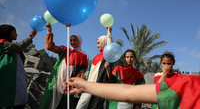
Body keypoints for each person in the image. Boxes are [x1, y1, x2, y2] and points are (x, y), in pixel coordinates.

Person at [64, 75, 200, 109]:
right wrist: (85, 86)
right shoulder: (192, 87)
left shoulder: (192, 86)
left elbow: (129, 92)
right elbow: (128, 92)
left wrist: (86, 86)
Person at [39, 22, 88, 109]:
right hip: (57, 81)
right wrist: (49, 31)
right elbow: (50, 47)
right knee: (50, 101)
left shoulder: (83, 55)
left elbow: (81, 72)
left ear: (79, 41)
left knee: (64, 104)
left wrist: (75, 84)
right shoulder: (65, 50)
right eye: (71, 40)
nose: (72, 42)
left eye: (75, 40)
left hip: (69, 85)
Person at [0, 24, 37, 109]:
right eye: (14, 32)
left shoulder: (8, 45)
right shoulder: (3, 44)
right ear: (7, 33)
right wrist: (31, 36)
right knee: (10, 101)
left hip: (15, 78)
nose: (17, 34)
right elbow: (18, 46)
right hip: (8, 79)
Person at [75, 27, 112, 109]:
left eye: (99, 43)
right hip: (89, 85)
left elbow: (110, 46)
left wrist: (109, 33)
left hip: (98, 86)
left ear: (104, 43)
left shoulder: (106, 56)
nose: (96, 45)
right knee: (80, 106)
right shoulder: (95, 57)